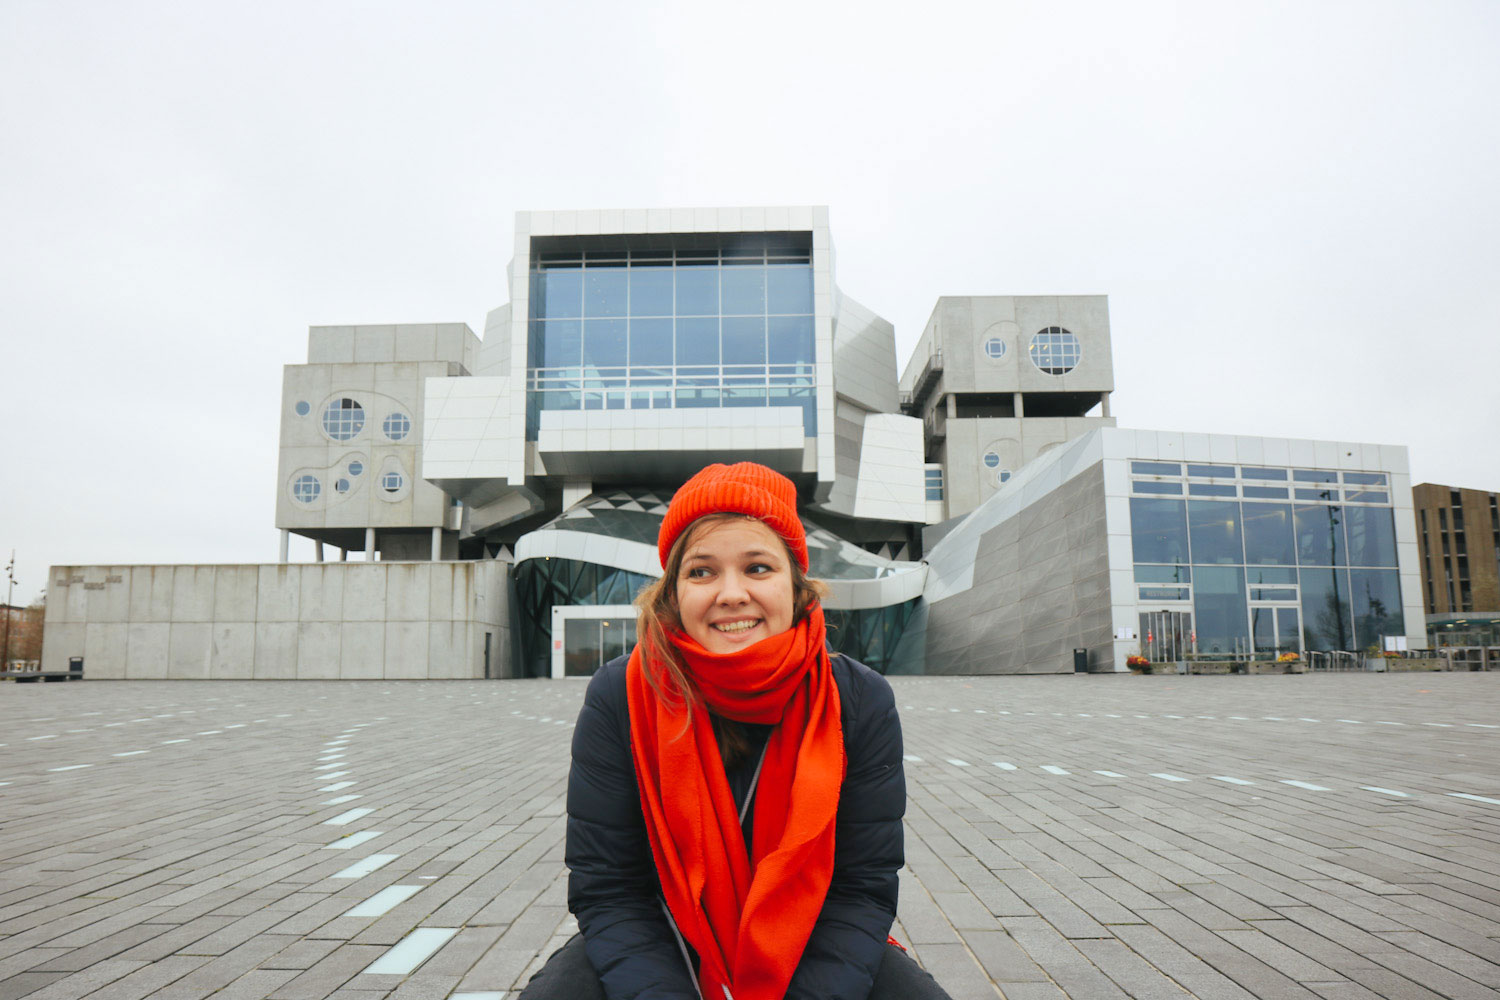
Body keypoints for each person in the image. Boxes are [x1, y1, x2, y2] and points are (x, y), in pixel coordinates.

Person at [519, 462, 953, 1000]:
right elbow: (610, 890)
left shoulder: (858, 699)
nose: (731, 593)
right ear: (673, 593)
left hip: (812, 942)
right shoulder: (621, 697)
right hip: (659, 938)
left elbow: (861, 890)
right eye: (701, 571)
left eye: (757, 568)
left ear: (795, 586)